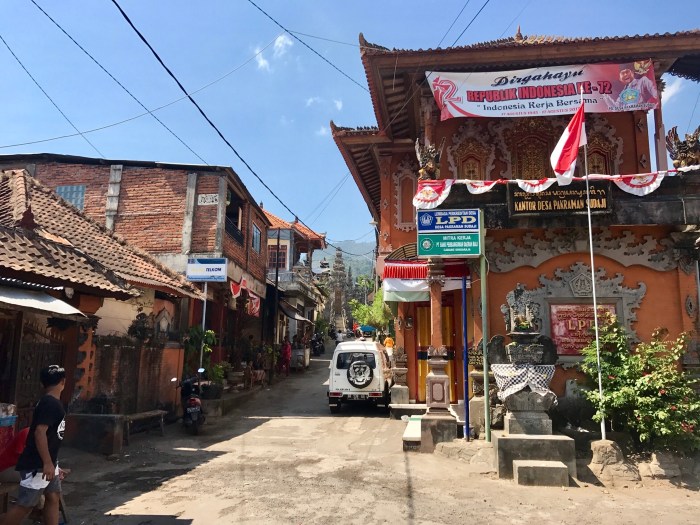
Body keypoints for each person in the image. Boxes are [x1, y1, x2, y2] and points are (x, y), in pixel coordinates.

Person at [2, 365, 66, 525]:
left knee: (53, 496)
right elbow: (40, 432)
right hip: (38, 464)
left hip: (49, 461)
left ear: (42, 384)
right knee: (25, 505)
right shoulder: (50, 404)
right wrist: (47, 462)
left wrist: (52, 463)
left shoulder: (50, 402)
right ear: (63, 382)